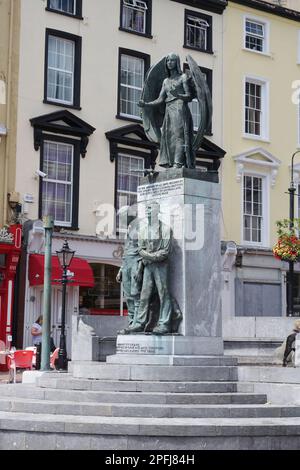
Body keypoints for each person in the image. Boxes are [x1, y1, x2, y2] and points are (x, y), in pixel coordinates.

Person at [139, 53, 195, 169]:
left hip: (180, 108)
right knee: (168, 136)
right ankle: (171, 162)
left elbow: (189, 96)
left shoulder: (183, 77)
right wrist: (146, 104)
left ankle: (178, 163)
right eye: (168, 61)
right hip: (169, 109)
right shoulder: (166, 81)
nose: (169, 63)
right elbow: (160, 99)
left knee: (179, 135)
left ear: (177, 62)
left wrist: (179, 95)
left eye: (172, 60)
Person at [127, 201, 173, 335]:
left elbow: (166, 251)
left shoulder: (165, 229)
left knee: (163, 293)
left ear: (156, 211)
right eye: (146, 209)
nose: (147, 211)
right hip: (148, 266)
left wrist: (150, 257)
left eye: (150, 209)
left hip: (161, 266)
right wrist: (148, 257)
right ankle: (140, 323)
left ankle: (164, 323)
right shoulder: (143, 230)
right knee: (144, 295)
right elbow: (140, 249)